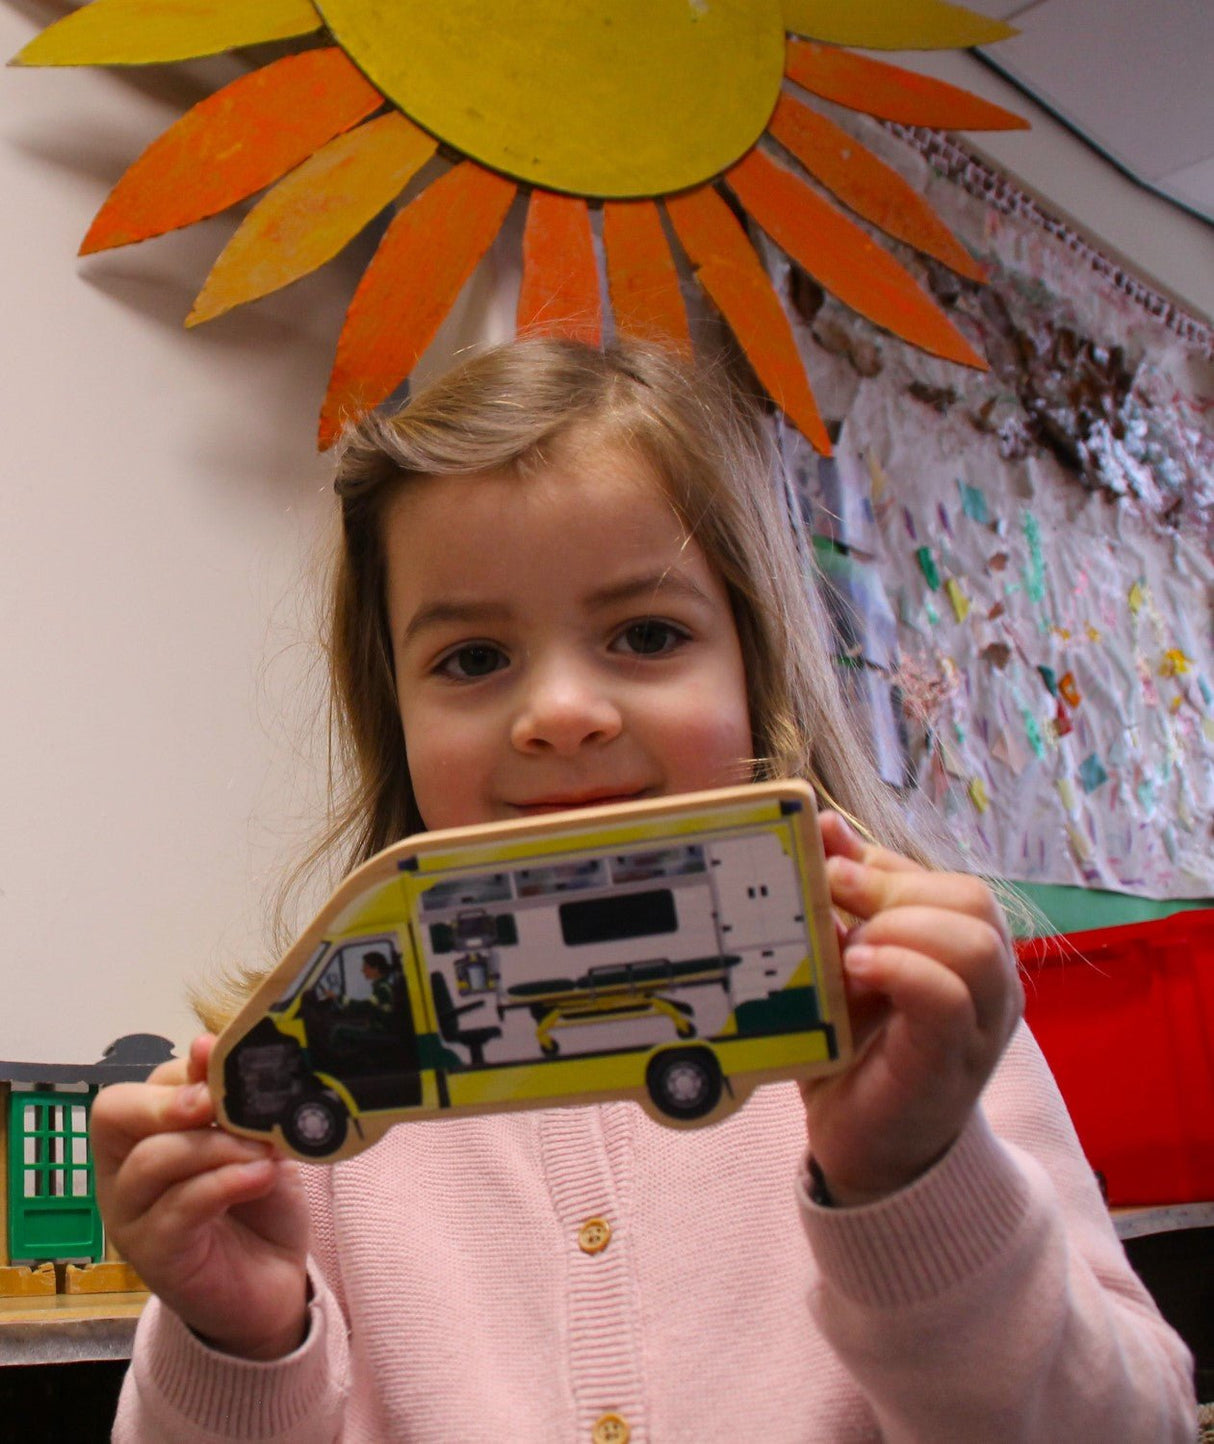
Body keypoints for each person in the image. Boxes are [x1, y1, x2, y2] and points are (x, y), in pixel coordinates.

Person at [94, 337, 1196, 1442]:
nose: (561, 710)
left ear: (755, 667)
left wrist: (912, 1177)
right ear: (396, 717)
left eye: (646, 634)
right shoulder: (338, 1081)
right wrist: (234, 1338)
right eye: (472, 658)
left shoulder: (904, 1036)